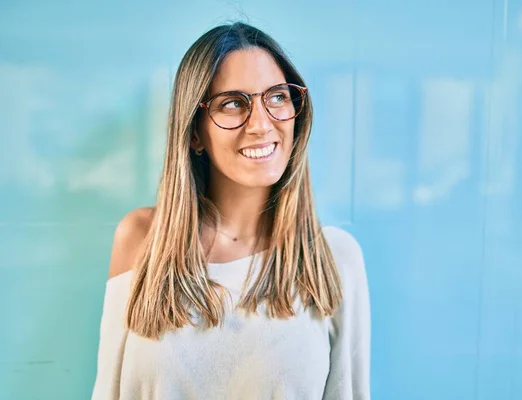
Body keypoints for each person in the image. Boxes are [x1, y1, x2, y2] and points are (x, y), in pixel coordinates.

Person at [91, 21, 371, 400]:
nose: (260, 123)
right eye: (233, 103)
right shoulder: (142, 238)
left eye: (276, 97)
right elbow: (108, 392)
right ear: (194, 133)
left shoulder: (335, 257)